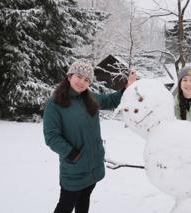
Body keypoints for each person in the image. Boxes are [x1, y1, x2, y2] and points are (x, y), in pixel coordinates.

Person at [43, 58, 136, 213]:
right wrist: (72, 154)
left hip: (93, 164)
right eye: (78, 77)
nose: (82, 82)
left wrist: (127, 87)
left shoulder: (89, 98)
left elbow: (110, 100)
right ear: (69, 76)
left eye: (86, 80)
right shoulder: (55, 103)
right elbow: (51, 136)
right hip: (74, 168)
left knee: (84, 200)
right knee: (65, 206)